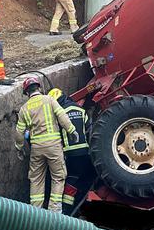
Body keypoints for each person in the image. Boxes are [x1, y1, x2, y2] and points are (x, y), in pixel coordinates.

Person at [15, 77, 79, 213]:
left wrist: (19, 148)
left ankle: (35, 212)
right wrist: (72, 130)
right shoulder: (49, 100)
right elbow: (62, 116)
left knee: (36, 179)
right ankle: (54, 211)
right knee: (58, 177)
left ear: (26, 93)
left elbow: (19, 132)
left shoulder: (24, 109)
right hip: (54, 146)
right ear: (39, 87)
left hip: (36, 149)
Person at [48, 88, 95, 216]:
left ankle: (66, 211)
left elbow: (56, 134)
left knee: (70, 180)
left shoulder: (60, 112)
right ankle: (77, 207)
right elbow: (87, 129)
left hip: (70, 154)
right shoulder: (81, 110)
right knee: (80, 179)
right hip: (85, 153)